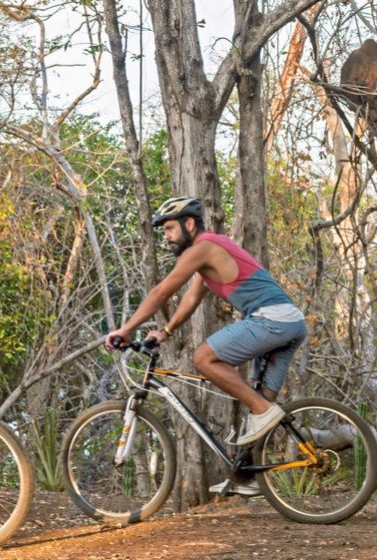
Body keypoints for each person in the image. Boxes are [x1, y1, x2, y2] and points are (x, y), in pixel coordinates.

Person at [105, 196, 307, 494]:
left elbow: (162, 292)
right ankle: (247, 477)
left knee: (204, 359)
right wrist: (166, 331)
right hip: (290, 324)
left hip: (272, 321)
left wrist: (125, 329)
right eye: (164, 232)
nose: (167, 237)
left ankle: (264, 415)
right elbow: (191, 298)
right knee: (259, 402)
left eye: (170, 228)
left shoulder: (204, 247)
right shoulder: (209, 254)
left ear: (189, 224)